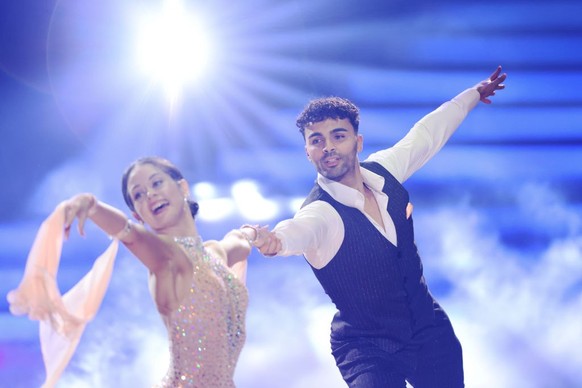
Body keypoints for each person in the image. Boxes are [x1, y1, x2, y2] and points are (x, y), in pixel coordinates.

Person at [253, 67, 507, 387]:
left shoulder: (385, 170)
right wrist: (275, 240)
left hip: (427, 330)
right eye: (317, 140)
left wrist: (472, 95)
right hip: (368, 348)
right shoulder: (321, 212)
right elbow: (299, 230)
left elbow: (425, 136)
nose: (328, 146)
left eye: (338, 136)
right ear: (307, 152)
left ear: (358, 142)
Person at [8, 156, 259, 388]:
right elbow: (130, 235)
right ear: (138, 215)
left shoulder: (215, 253)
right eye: (138, 195)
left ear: (183, 188)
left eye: (157, 183)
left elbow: (239, 242)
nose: (150, 195)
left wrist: (254, 234)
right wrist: (93, 206)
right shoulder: (167, 258)